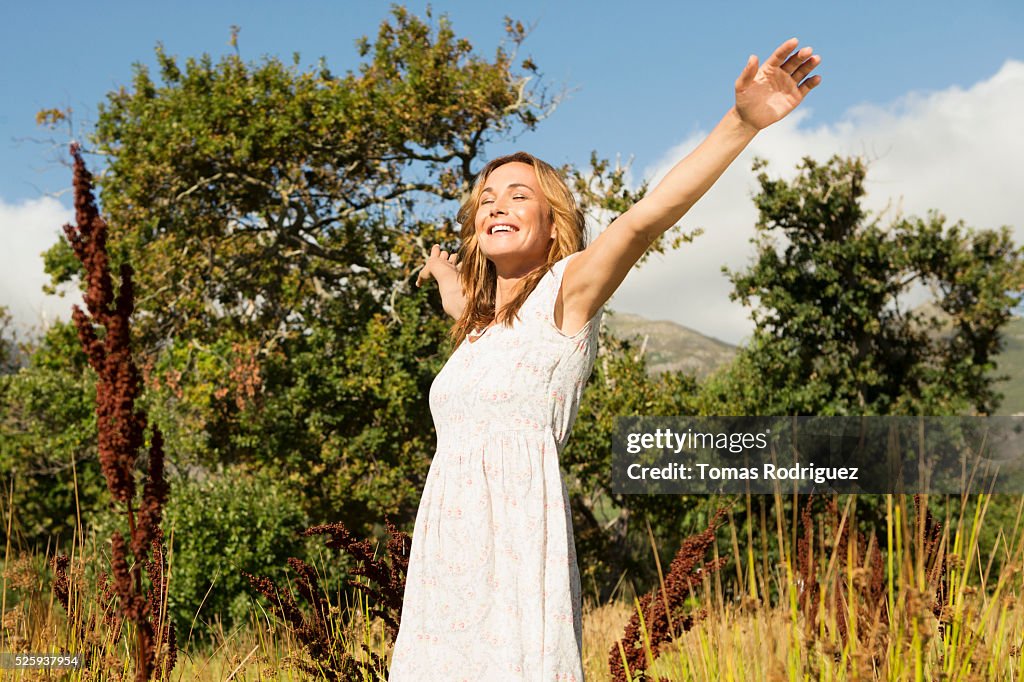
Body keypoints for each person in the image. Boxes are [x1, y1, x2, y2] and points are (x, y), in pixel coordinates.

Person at [387, 38, 821, 681]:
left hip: (514, 541)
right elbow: (477, 337)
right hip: (445, 555)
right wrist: (449, 280)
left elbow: (646, 218)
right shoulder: (478, 329)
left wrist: (740, 123)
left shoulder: (569, 291)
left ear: (553, 222)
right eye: (486, 198)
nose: (496, 204)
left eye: (518, 195)